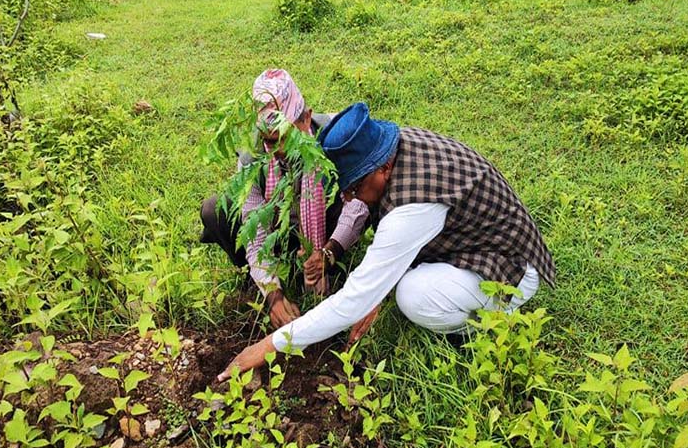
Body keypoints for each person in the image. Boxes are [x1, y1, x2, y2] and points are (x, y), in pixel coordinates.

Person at [217, 102, 556, 381]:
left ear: (381, 170)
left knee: (413, 296)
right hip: (473, 241)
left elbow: (351, 301)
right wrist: (378, 290)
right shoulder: (398, 146)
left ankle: (486, 325)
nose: (350, 198)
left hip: (509, 268)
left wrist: (265, 348)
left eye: (354, 189)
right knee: (396, 283)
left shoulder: (412, 206)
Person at [200, 70, 369, 327]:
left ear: (307, 118)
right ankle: (256, 276)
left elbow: (357, 203)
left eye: (286, 138)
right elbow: (255, 231)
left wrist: (329, 251)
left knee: (364, 197)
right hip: (278, 232)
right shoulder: (253, 157)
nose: (279, 151)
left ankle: (327, 267)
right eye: (270, 141)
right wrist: (274, 297)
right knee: (215, 210)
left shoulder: (333, 136)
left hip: (327, 228)